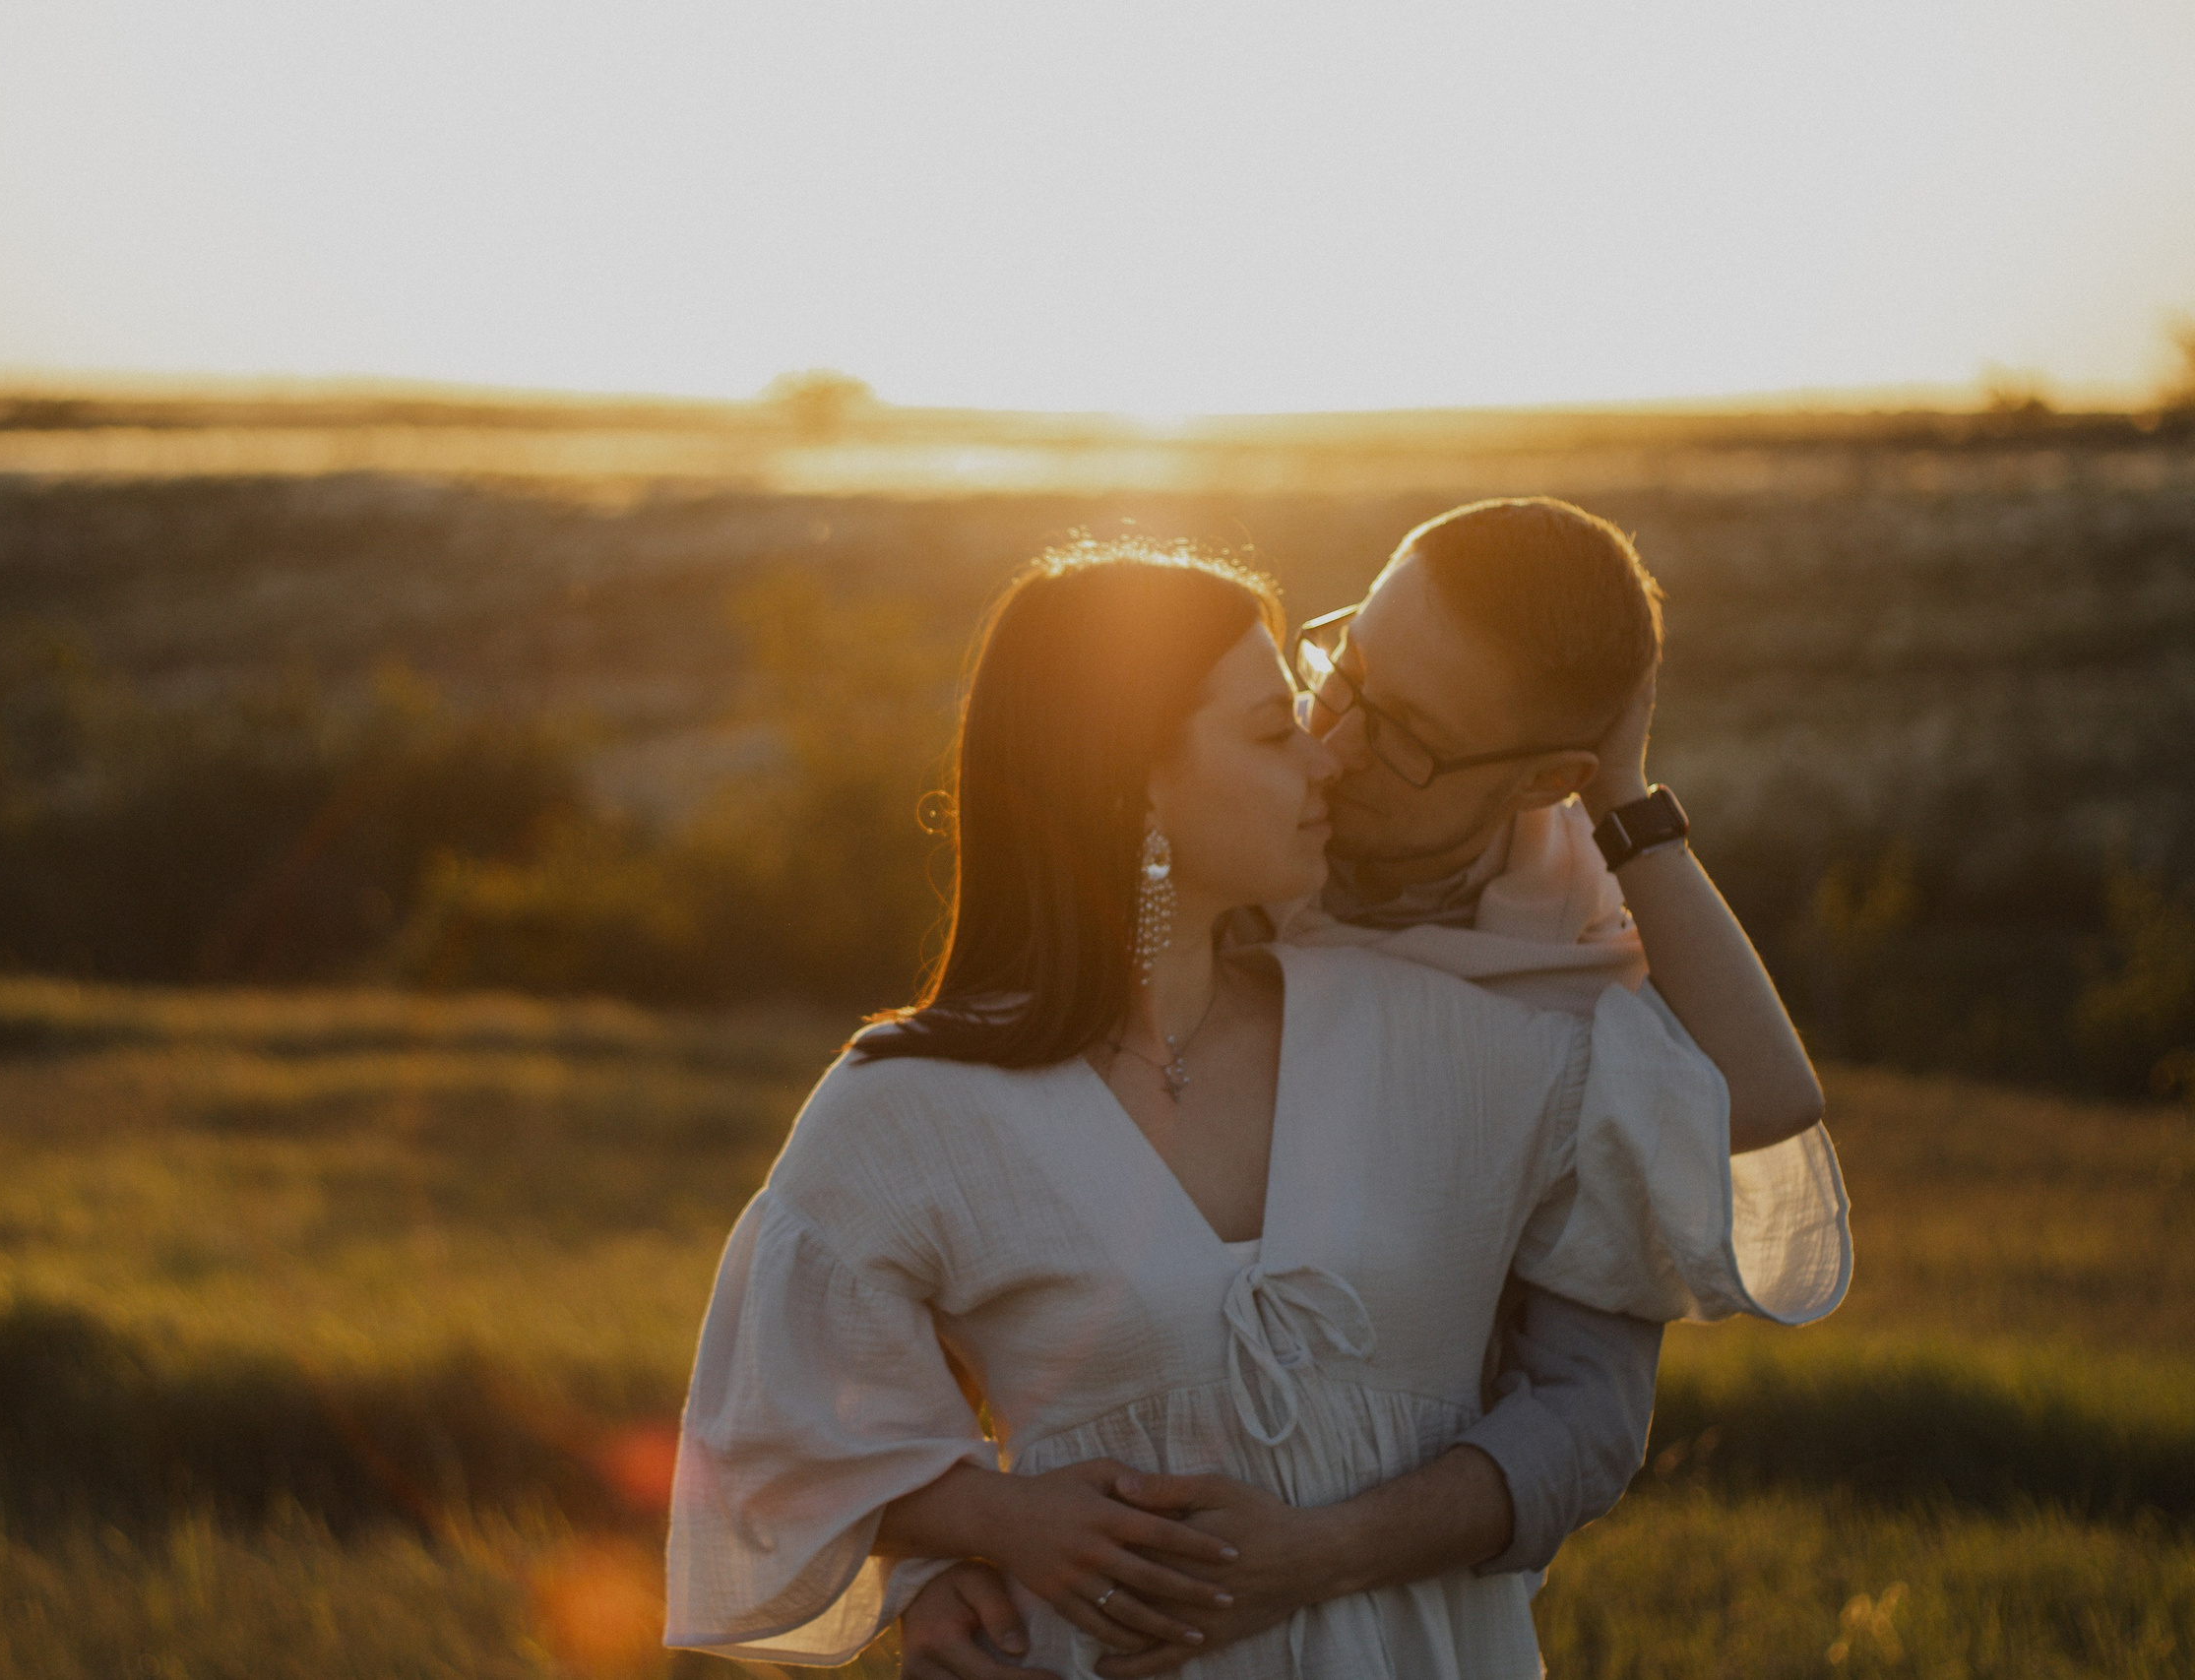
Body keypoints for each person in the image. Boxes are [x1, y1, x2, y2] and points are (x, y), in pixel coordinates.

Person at [664, 540, 1849, 1679]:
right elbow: (771, 1436)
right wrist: (976, 1534)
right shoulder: (906, 1105)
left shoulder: (1464, 1030)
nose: (1330, 752)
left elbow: (1751, 1114)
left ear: (1539, 778)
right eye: (1293, 715)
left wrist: (1625, 794)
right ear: (1134, 786)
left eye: (1402, 739)